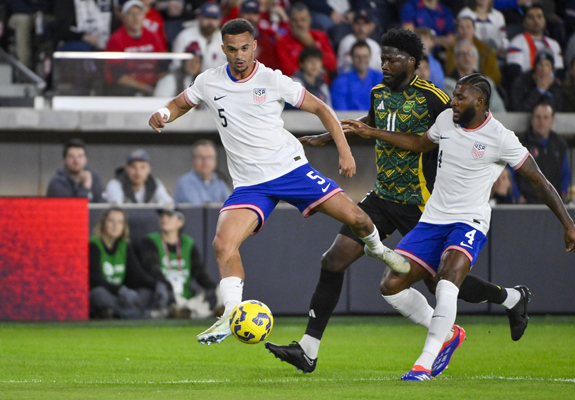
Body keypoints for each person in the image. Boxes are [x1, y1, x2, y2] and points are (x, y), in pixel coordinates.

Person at [265, 29, 536, 374]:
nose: (385, 66)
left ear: (413, 62)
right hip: (382, 196)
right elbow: (372, 123)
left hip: (422, 203)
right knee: (332, 261)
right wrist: (330, 135)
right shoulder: (378, 92)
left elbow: (436, 138)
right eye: (383, 59)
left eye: (392, 59)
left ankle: (510, 298)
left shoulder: (436, 99)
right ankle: (308, 349)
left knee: (442, 283)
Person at [148, 18, 411, 345]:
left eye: (245, 47)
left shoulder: (273, 80)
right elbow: (179, 103)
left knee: (358, 218)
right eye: (232, 49)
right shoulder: (209, 82)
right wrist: (163, 114)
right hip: (250, 185)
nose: (239, 55)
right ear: (223, 50)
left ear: (254, 46)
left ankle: (379, 250)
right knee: (222, 244)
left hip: (291, 172)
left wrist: (345, 151)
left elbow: (322, 109)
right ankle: (231, 315)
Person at [339, 73, 575, 380]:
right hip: (432, 219)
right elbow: (418, 143)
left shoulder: (500, 137)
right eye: (453, 96)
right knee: (390, 286)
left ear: (480, 102)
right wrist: (371, 131)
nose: (452, 102)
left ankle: (423, 365)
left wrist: (568, 223)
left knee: (446, 283)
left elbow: (539, 181)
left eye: (460, 97)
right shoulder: (445, 120)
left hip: (470, 221)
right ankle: (453, 331)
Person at [137, 207, 220, 318]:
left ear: (180, 222)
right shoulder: (151, 241)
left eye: (169, 216)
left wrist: (210, 288)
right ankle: (200, 312)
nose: (164, 219)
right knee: (162, 295)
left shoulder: (188, 243)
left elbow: (199, 272)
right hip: (168, 294)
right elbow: (153, 270)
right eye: (162, 216)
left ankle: (186, 312)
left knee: (221, 290)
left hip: (188, 296)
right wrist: (168, 288)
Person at [89, 207, 170, 319]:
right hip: (107, 293)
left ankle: (121, 314)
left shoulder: (124, 245)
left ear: (124, 226)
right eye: (111, 221)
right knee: (98, 294)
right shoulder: (94, 244)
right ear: (103, 223)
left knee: (146, 293)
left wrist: (157, 285)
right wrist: (120, 290)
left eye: (120, 222)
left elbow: (137, 275)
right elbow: (95, 279)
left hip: (122, 297)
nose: (115, 225)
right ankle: (143, 315)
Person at [104, 0, 168, 96]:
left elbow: (163, 66)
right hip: (126, 89)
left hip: (152, 86)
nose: (135, 18)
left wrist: (157, 86)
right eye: (131, 14)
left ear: (144, 16)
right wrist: (146, 88)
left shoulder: (153, 36)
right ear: (123, 16)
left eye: (139, 13)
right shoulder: (116, 39)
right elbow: (117, 76)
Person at [513, 103, 571, 204]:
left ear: (552, 121)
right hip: (527, 204)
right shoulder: (521, 143)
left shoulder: (559, 144)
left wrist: (563, 194)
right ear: (532, 120)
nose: (541, 121)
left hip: (553, 205)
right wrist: (519, 197)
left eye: (546, 117)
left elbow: (565, 173)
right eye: (538, 117)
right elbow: (510, 173)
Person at [505, 4, 564, 85]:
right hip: (526, 86)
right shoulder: (517, 42)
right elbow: (514, 73)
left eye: (539, 17)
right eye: (531, 17)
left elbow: (559, 71)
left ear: (544, 20)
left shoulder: (554, 44)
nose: (536, 20)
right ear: (524, 21)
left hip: (551, 87)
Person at [275, 2, 337, 78]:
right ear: (290, 22)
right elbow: (288, 71)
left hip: (321, 85)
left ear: (309, 20)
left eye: (303, 20)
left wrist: (311, 43)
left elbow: (332, 64)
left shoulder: (321, 36)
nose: (299, 24)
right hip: (297, 85)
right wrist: (319, 70)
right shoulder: (282, 42)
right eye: (295, 20)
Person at [443, 40, 506, 112]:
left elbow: (498, 108)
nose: (466, 57)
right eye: (462, 54)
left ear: (475, 58)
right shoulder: (447, 83)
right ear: (455, 60)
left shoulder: (487, 82)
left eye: (470, 53)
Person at [445, 16, 502, 87]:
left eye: (468, 27)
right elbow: (450, 71)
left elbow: (494, 76)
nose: (465, 31)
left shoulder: (486, 51)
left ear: (474, 29)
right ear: (457, 31)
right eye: (461, 28)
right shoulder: (452, 49)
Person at [171, 2, 227, 73]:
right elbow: (176, 65)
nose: (210, 22)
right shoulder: (185, 37)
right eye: (207, 17)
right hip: (188, 80)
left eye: (214, 18)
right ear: (199, 17)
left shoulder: (223, 39)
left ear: (220, 20)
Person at [105, 149, 173, 204]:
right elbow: (115, 212)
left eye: (142, 167)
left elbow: (169, 205)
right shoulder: (116, 183)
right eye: (133, 167)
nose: (138, 172)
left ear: (149, 169)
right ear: (126, 168)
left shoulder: (154, 183)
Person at [331, 40, 384, 111]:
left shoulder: (381, 79)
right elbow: (341, 112)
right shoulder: (340, 82)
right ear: (352, 57)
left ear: (370, 57)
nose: (361, 60)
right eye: (357, 56)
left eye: (365, 56)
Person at [174, 139, 231, 204]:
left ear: (215, 161)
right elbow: (198, 209)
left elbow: (230, 207)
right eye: (201, 157)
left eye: (209, 157)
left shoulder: (220, 184)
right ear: (193, 160)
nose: (205, 162)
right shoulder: (184, 182)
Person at [46, 138, 105, 202]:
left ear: (86, 160)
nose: (76, 161)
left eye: (80, 156)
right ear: (64, 160)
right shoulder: (57, 183)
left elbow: (102, 205)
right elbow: (73, 209)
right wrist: (85, 187)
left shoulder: (94, 178)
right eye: (71, 156)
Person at [6, 0, 52, 68]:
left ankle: (48, 61)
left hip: (39, 13)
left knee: (48, 21)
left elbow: (48, 5)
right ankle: (25, 65)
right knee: (24, 20)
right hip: (17, 14)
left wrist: (38, 12)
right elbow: (16, 6)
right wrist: (34, 11)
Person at [336, 9, 382, 74]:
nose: (361, 28)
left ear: (371, 26)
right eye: (358, 24)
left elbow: (380, 69)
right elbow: (346, 69)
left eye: (365, 24)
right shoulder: (347, 41)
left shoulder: (374, 45)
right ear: (352, 25)